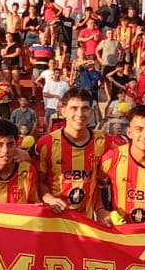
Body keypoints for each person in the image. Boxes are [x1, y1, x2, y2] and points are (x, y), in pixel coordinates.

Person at [36, 88, 112, 216]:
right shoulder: (46, 143)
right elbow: (38, 181)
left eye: (85, 108)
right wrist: (48, 197)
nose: (80, 114)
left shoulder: (104, 141)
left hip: (87, 220)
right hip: (55, 220)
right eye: (74, 108)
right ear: (63, 111)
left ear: (92, 112)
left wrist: (100, 209)